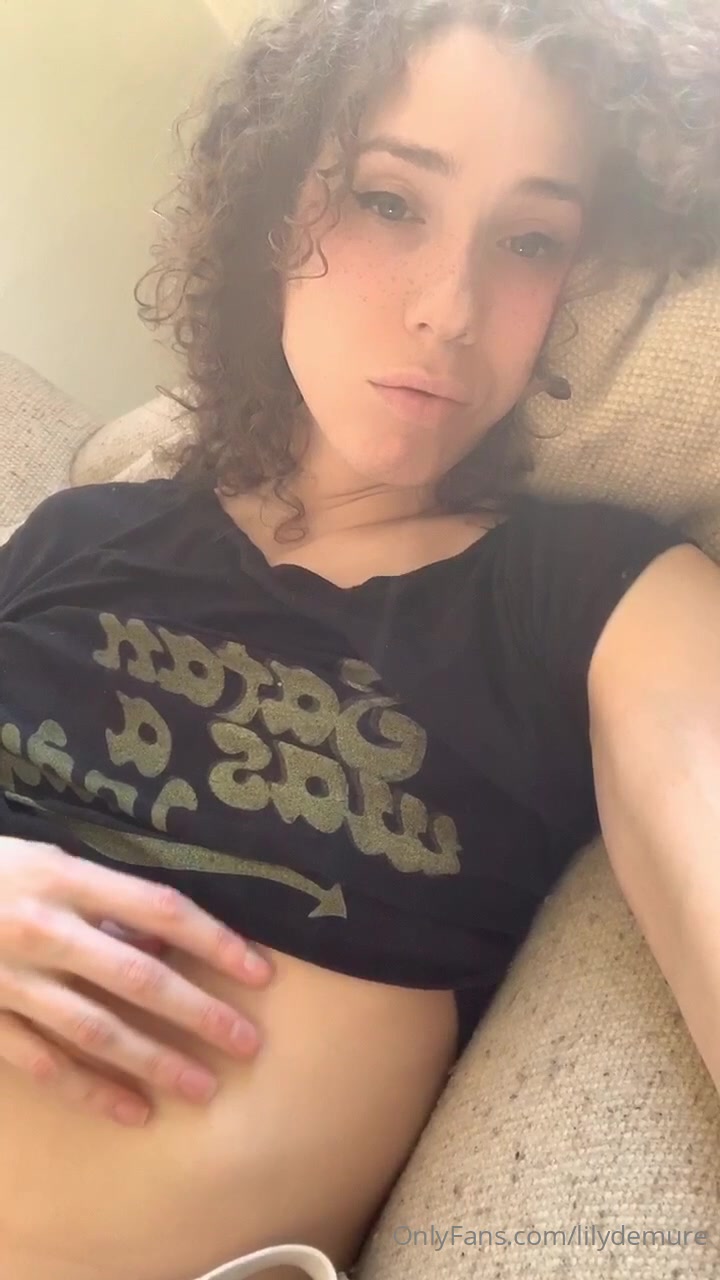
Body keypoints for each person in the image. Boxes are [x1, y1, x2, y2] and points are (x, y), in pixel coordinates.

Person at [1, 1, 719, 1278]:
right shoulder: (78, 531)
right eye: (391, 201)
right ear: (274, 211)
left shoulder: (596, 596)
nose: (451, 309)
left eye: (530, 239)